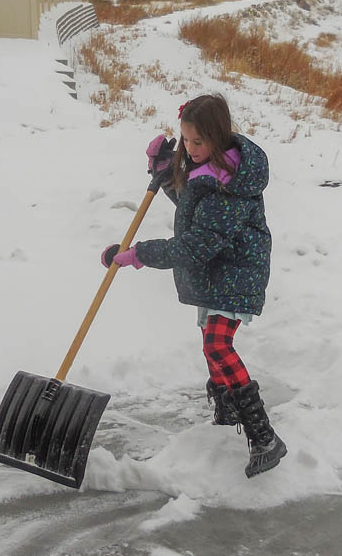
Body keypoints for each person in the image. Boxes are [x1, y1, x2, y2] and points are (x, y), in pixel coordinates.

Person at [100, 94, 287, 478]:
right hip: (219, 271)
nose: (190, 148)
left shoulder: (232, 185)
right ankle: (228, 409)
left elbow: (197, 243)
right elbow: (191, 205)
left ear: (219, 138)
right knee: (210, 342)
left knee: (218, 344)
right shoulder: (210, 171)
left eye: (198, 142)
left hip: (236, 272)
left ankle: (264, 436)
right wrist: (166, 171)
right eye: (185, 140)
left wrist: (139, 254)